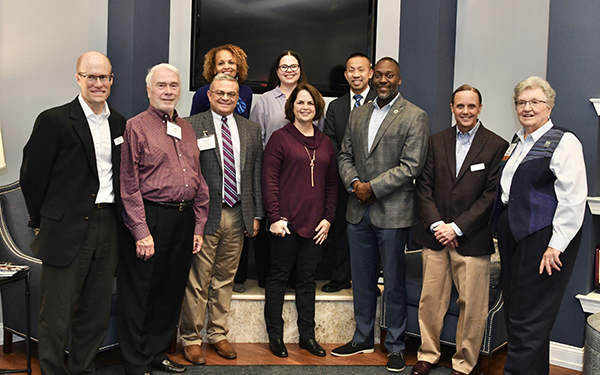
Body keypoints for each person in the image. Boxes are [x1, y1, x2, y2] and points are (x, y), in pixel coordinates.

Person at [20, 51, 126, 375]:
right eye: (90, 76)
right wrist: (41, 222)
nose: (98, 83)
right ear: (78, 78)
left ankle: (83, 369)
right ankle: (52, 371)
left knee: (95, 311)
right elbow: (32, 177)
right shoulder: (53, 120)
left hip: (108, 226)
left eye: (104, 77)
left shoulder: (120, 123)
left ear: (111, 80)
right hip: (65, 230)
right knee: (56, 313)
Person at [333, 57, 429, 373]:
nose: (383, 80)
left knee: (395, 283)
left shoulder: (415, 116)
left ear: (399, 79)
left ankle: (396, 346)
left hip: (394, 214)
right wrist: (353, 184)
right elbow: (344, 154)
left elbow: (411, 165)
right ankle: (362, 338)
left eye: (390, 75)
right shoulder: (358, 115)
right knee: (360, 280)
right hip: (358, 212)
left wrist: (372, 187)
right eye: (380, 75)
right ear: (373, 78)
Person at [489, 76, 587, 375]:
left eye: (535, 102)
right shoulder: (517, 141)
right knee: (518, 311)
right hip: (513, 234)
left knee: (529, 318)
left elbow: (573, 197)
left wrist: (556, 244)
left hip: (543, 237)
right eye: (521, 102)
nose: (527, 108)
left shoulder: (563, 141)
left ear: (549, 106)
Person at [119, 63, 210, 374]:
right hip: (151, 218)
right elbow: (128, 183)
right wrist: (140, 231)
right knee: (141, 295)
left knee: (171, 293)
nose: (168, 91)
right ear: (149, 90)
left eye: (173, 85)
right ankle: (136, 362)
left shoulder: (186, 128)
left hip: (184, 221)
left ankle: (157, 354)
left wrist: (198, 225)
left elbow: (198, 179)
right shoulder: (136, 126)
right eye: (162, 85)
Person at [412, 85, 508, 375]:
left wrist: (457, 227)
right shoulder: (435, 141)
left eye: (471, 106)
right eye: (460, 106)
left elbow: (491, 195)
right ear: (452, 108)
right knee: (430, 300)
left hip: (472, 240)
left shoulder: (496, 145)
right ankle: (427, 354)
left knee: (473, 308)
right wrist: (439, 225)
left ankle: (465, 363)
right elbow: (424, 187)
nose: (465, 112)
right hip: (435, 236)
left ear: (480, 108)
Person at [179, 73, 263, 364]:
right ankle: (191, 338)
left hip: (239, 212)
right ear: (210, 95)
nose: (226, 98)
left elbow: (255, 174)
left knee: (225, 279)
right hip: (204, 214)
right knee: (198, 280)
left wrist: (256, 214)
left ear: (238, 97)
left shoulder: (251, 129)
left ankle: (217, 334)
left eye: (231, 94)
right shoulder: (190, 125)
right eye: (220, 93)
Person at [262, 83, 337, 358]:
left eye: (310, 103)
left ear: (317, 108)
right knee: (279, 278)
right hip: (285, 223)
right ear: (291, 106)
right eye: (300, 102)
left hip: (316, 226)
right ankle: (276, 336)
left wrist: (328, 219)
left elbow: (331, 185)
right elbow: (268, 180)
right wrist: (274, 217)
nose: (305, 107)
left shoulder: (326, 142)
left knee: (307, 281)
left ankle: (307, 336)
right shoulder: (279, 138)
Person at [249, 50, 311, 288]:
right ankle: (269, 279)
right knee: (273, 224)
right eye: (284, 66)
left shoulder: (310, 97)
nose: (289, 70)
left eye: (293, 66)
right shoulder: (265, 100)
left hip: (304, 178)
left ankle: (296, 279)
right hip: (274, 174)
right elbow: (257, 139)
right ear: (277, 71)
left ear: (300, 69)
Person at [322, 52, 376, 293]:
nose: (356, 74)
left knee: (374, 234)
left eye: (361, 69)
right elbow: (332, 143)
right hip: (346, 181)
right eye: (351, 70)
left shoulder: (382, 102)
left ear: (370, 73)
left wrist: (370, 181)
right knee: (343, 231)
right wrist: (351, 178)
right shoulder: (336, 107)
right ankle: (341, 277)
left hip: (376, 184)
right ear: (345, 75)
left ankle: (370, 282)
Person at [190, 44, 252, 118]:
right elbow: (193, 124)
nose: (226, 67)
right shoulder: (202, 93)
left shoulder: (247, 92)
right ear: (214, 69)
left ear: (238, 67)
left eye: (231, 62)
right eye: (221, 63)